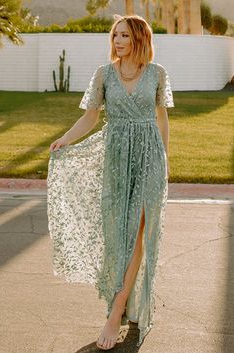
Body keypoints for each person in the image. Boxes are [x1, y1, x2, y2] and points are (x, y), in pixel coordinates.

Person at [47, 14, 174, 351]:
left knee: (137, 235)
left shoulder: (157, 74)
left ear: (139, 38)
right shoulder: (104, 75)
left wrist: (165, 163)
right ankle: (126, 303)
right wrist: (65, 140)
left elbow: (163, 121)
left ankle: (115, 314)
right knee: (118, 237)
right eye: (115, 35)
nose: (117, 41)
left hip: (150, 160)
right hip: (116, 162)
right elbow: (90, 116)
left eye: (124, 36)